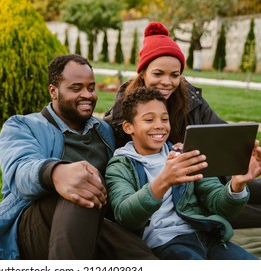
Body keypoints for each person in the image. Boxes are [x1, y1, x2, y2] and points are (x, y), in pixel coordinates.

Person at [0, 54, 157, 260]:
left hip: (94, 227)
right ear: (53, 91)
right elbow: (19, 171)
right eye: (76, 88)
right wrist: (56, 172)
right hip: (34, 229)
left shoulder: (104, 130)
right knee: (82, 188)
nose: (87, 95)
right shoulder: (23, 125)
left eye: (91, 88)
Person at [104, 21, 261, 229]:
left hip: (209, 177)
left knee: (250, 189)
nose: (167, 82)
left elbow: (221, 133)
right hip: (171, 197)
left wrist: (244, 149)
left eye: (175, 75)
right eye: (158, 74)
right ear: (142, 73)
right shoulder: (125, 110)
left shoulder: (191, 100)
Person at [105, 86, 261, 259]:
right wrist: (163, 180)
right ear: (128, 127)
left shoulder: (184, 155)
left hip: (205, 235)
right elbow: (126, 216)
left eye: (165, 119)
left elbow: (218, 205)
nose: (159, 126)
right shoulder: (120, 165)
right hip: (167, 243)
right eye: (149, 120)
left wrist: (237, 184)